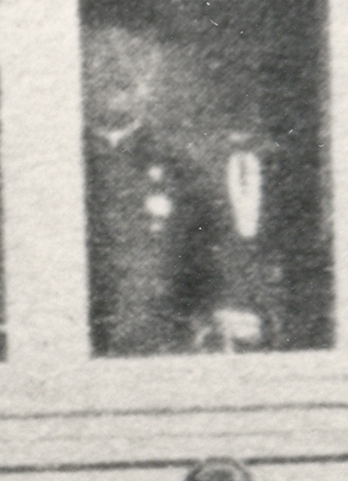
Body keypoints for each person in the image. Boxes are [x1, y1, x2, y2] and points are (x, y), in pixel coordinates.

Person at [80, 25, 271, 357]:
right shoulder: (53, 165)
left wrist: (227, 308)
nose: (118, 70)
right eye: (101, 58)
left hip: (163, 352)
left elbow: (220, 261)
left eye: (134, 57)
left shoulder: (184, 168)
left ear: (153, 76)